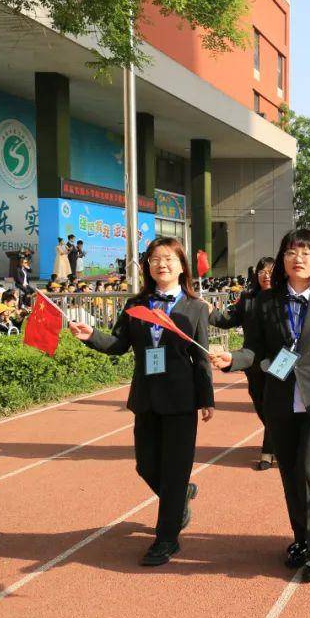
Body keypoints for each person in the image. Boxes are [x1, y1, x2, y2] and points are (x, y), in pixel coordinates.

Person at [210, 228, 310, 583]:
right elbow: (255, 351)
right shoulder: (264, 302)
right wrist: (232, 359)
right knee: (290, 474)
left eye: (306, 252)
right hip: (279, 398)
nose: (299, 258)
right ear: (282, 259)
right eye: (291, 252)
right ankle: (300, 538)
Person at [68, 237, 215, 566]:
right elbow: (120, 344)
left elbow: (201, 358)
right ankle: (180, 498)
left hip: (180, 398)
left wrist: (207, 398)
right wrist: (91, 336)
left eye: (168, 259)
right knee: (146, 465)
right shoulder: (136, 304)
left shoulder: (196, 307)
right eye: (154, 259)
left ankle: (166, 540)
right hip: (146, 396)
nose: (161, 264)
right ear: (147, 266)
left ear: (181, 266)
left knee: (175, 471)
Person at [208, 256, 277, 470]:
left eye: (271, 271)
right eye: (262, 271)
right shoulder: (248, 298)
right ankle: (281, 439)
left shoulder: (285, 298)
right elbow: (228, 321)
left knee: (273, 406)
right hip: (252, 361)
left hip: (279, 362)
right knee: (259, 403)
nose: (266, 275)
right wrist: (210, 312)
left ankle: (268, 450)